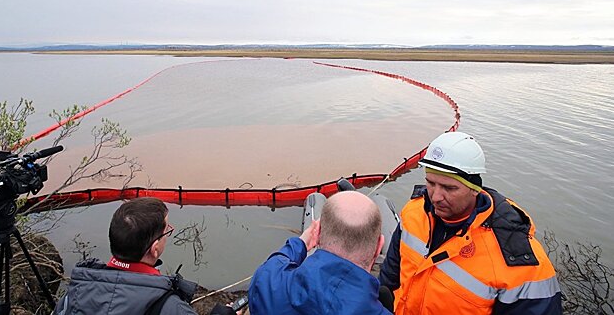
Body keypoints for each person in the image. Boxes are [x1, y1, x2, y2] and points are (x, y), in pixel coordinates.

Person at [379, 131, 562, 314]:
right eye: (431, 183)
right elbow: (389, 277)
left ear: (475, 189)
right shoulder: (414, 212)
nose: (435, 197)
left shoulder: (517, 256)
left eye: (449, 188)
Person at [54, 197, 238, 315]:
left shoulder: (73, 295)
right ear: (154, 249)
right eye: (167, 230)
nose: (168, 233)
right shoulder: (171, 308)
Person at [248, 190, 393, 314]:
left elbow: (275, 263)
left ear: (317, 234)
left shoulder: (267, 287)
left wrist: (301, 243)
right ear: (379, 246)